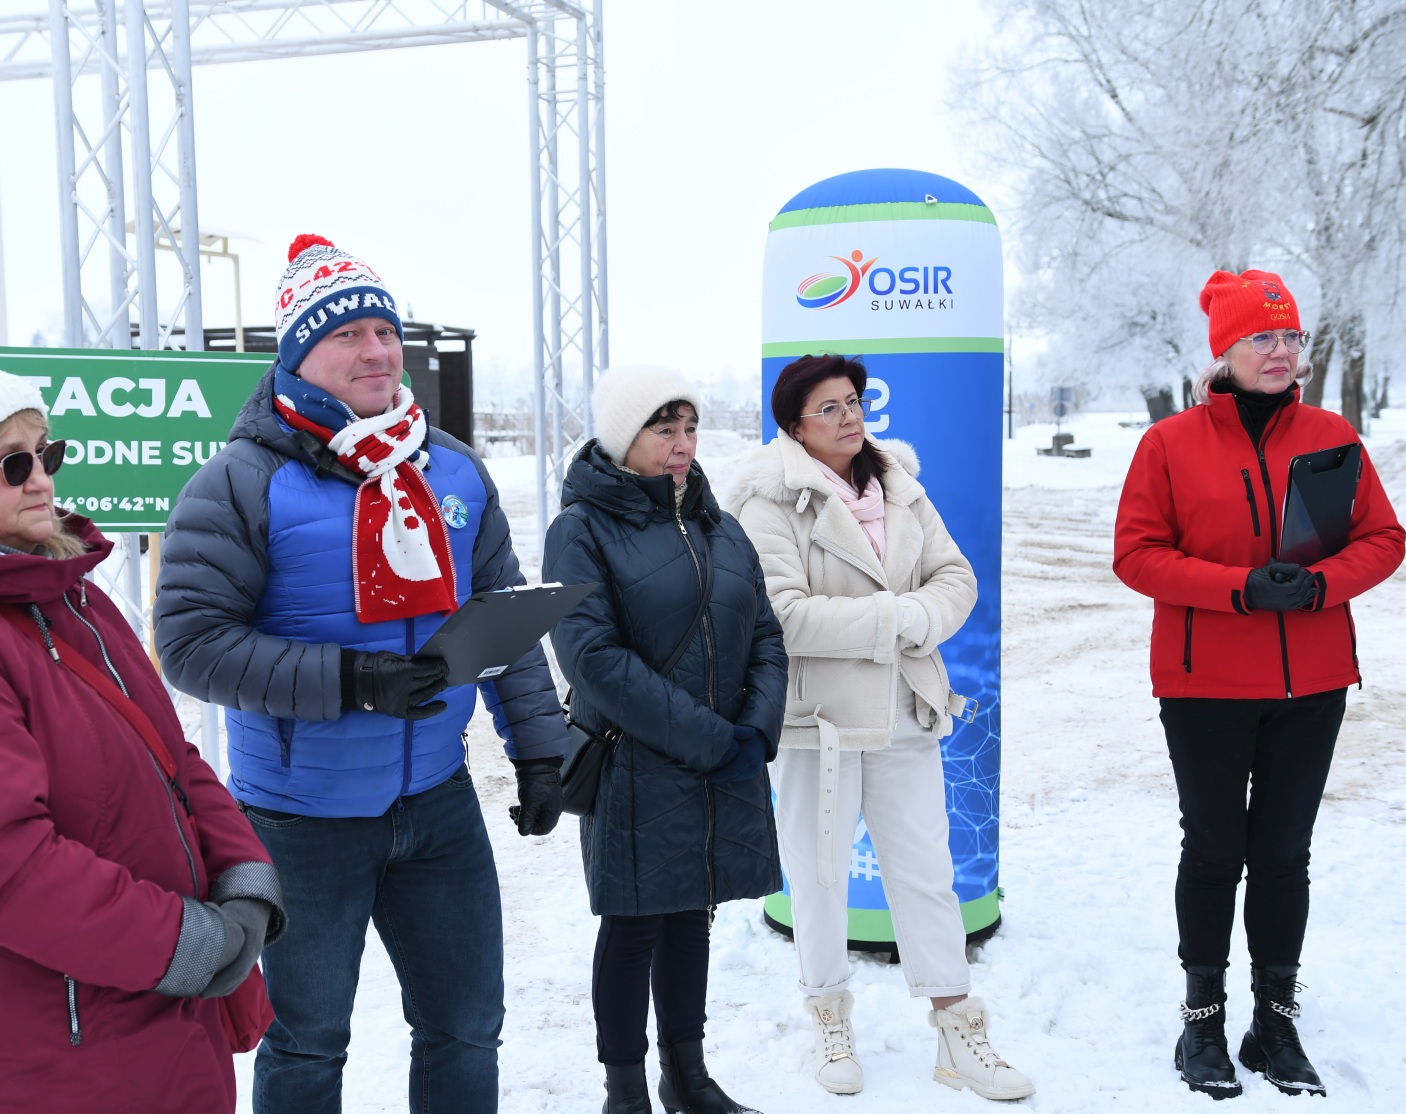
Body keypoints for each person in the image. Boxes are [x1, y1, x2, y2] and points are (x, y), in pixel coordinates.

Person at [153, 234, 568, 1114]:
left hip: (438, 804)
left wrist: (540, 748)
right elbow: (190, 643)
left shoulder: (453, 468)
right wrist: (350, 680)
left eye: (385, 331)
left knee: (466, 1026)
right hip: (300, 820)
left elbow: (504, 616)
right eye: (347, 335)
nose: (376, 350)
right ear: (299, 356)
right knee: (306, 1044)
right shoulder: (240, 481)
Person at [0, 312, 285, 1114]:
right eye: (14, 464)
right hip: (49, 1051)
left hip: (157, 1015)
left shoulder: (69, 596)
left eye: (48, 453)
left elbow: (171, 758)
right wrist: (182, 940)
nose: (42, 478)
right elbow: (3, 867)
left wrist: (242, 877)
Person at [1114, 270, 1403, 1099]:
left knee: (1283, 855)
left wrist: (1320, 584)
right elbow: (1136, 554)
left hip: (1312, 683)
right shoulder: (1169, 444)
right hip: (1204, 686)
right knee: (1214, 851)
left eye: (1290, 337)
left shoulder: (1332, 435)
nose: (1280, 352)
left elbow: (1385, 537)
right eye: (1261, 338)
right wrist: (1238, 588)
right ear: (1225, 352)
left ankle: (1275, 1022)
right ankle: (1201, 1023)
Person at [724, 353, 1034, 1103]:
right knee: (819, 877)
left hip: (905, 708)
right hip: (817, 724)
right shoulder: (768, 502)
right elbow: (782, 616)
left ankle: (958, 1030)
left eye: (854, 402)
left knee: (926, 875)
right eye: (829, 408)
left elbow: (956, 578)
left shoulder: (899, 484)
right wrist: (899, 617)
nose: (850, 417)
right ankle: (830, 1019)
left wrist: (921, 617)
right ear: (794, 426)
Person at [542, 365, 788, 1114]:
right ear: (624, 438)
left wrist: (757, 728)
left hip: (723, 756)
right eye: (663, 429)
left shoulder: (718, 523)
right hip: (635, 762)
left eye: (690, 428)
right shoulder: (580, 529)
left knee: (691, 916)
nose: (683, 444)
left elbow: (766, 633)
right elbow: (592, 659)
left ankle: (688, 1077)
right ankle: (625, 1094)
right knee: (634, 925)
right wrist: (712, 740)